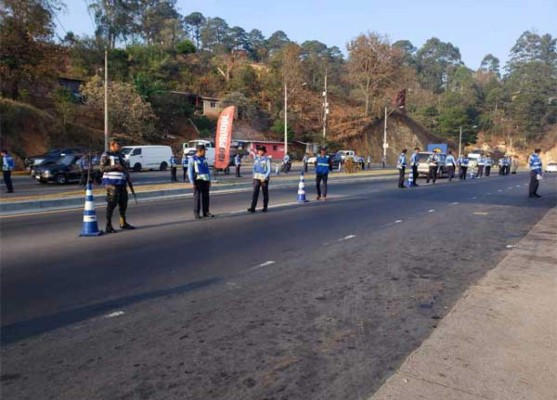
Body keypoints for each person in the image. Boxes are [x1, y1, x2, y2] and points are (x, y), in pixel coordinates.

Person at [100, 137, 135, 233]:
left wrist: (128, 176)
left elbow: (124, 168)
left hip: (121, 182)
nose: (120, 146)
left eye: (120, 144)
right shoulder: (106, 154)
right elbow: (101, 168)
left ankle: (123, 223)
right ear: (112, 144)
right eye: (118, 144)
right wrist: (115, 166)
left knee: (124, 203)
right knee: (112, 203)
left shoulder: (120, 155)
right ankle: (108, 225)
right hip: (111, 183)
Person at [188, 144, 213, 219]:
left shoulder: (204, 158)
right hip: (198, 181)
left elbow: (207, 170)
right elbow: (190, 171)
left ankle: (206, 212)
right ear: (200, 150)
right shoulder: (192, 159)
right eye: (204, 150)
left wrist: (209, 180)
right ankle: (197, 213)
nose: (205, 152)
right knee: (197, 198)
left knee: (206, 197)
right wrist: (192, 182)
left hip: (205, 180)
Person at [248, 145, 271, 213]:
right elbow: (254, 168)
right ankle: (253, 207)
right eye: (259, 151)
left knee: (265, 193)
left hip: (264, 178)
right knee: (255, 192)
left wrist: (264, 177)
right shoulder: (256, 159)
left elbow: (269, 170)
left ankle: (265, 207)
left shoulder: (267, 159)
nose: (260, 152)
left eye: (262, 151)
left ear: (264, 152)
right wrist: (254, 175)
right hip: (256, 177)